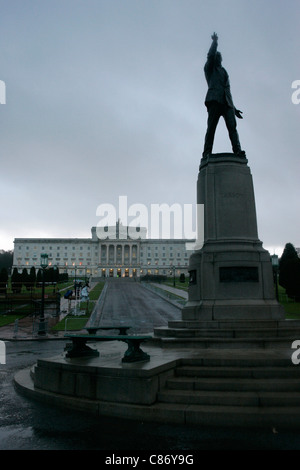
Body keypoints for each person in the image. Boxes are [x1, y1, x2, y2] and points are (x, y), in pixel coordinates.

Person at [202, 32, 245, 158]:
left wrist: (234, 108)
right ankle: (206, 153)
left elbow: (227, 91)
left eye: (220, 57)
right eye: (217, 57)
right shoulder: (209, 70)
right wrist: (215, 42)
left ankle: (237, 151)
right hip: (214, 101)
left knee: (233, 129)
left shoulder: (224, 72)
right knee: (211, 129)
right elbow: (210, 56)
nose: (219, 59)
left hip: (227, 104)